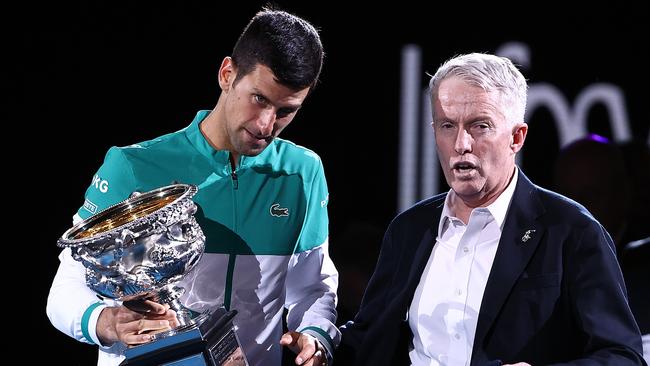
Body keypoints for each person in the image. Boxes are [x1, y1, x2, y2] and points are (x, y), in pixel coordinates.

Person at [47, 8, 339, 366]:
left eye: (286, 110)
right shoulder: (133, 167)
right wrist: (103, 321)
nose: (266, 125)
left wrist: (315, 334)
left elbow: (312, 288)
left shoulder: (303, 172)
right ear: (227, 74)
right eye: (259, 99)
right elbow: (65, 288)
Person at [335, 53, 645, 365]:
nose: (460, 144)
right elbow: (368, 337)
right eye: (446, 126)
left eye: (479, 126)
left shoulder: (572, 231)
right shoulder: (409, 229)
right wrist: (317, 342)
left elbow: (622, 357)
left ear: (517, 137)